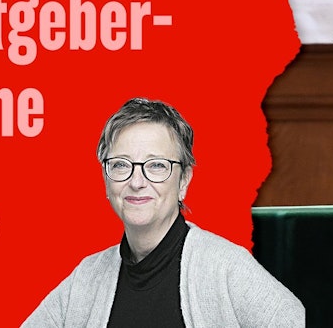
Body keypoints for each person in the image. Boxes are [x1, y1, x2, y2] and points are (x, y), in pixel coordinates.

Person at [24, 98, 304, 326]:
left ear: (183, 180)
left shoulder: (225, 267)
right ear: (105, 178)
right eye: (121, 164)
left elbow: (291, 318)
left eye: (156, 165)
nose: (136, 182)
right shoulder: (87, 278)